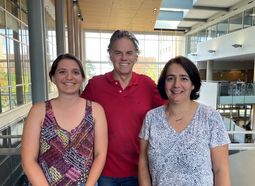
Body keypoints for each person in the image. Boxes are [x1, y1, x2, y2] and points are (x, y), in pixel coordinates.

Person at [80, 30, 165, 186]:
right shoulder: (95, 85)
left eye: (129, 53)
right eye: (118, 53)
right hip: (104, 172)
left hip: (138, 171)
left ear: (136, 56)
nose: (124, 58)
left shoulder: (147, 85)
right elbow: (76, 115)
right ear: (110, 55)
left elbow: (170, 112)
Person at [138, 56, 231, 186]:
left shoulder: (210, 118)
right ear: (164, 83)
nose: (176, 84)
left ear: (193, 84)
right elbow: (143, 162)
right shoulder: (151, 118)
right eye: (170, 78)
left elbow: (221, 170)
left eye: (184, 78)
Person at [21, 53, 108, 186]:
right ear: (53, 77)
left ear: (82, 77)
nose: (69, 77)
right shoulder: (39, 111)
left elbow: (100, 154)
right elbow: (28, 160)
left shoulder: (96, 110)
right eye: (62, 72)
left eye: (75, 72)